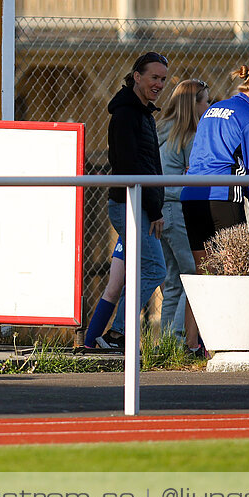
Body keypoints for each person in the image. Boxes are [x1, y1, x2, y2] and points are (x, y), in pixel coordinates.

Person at [81, 52, 170, 351]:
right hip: (129, 205)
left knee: (126, 277)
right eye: (154, 77)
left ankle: (101, 339)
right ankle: (117, 334)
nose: (159, 84)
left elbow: (150, 165)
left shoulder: (143, 113)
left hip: (140, 205)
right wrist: (153, 208)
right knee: (155, 269)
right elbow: (130, 165)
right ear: (137, 76)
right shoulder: (126, 115)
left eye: (163, 79)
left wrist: (154, 207)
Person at [182, 64, 249, 264]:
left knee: (205, 273)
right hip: (223, 196)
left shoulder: (212, 109)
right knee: (235, 271)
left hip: (191, 195)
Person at [156, 78, 211, 355]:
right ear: (194, 104)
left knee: (173, 280)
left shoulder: (163, 130)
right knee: (193, 275)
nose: (209, 105)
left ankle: (166, 343)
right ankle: (179, 340)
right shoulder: (190, 135)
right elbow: (195, 175)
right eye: (205, 100)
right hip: (177, 207)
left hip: (160, 209)